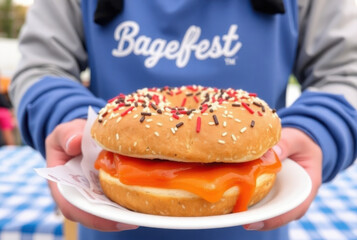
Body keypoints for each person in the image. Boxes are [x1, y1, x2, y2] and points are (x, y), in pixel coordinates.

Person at [9, 0, 357, 239]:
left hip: (258, 224)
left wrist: (319, 127)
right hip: (107, 219)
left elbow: (346, 71)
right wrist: (67, 119)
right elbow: (42, 66)